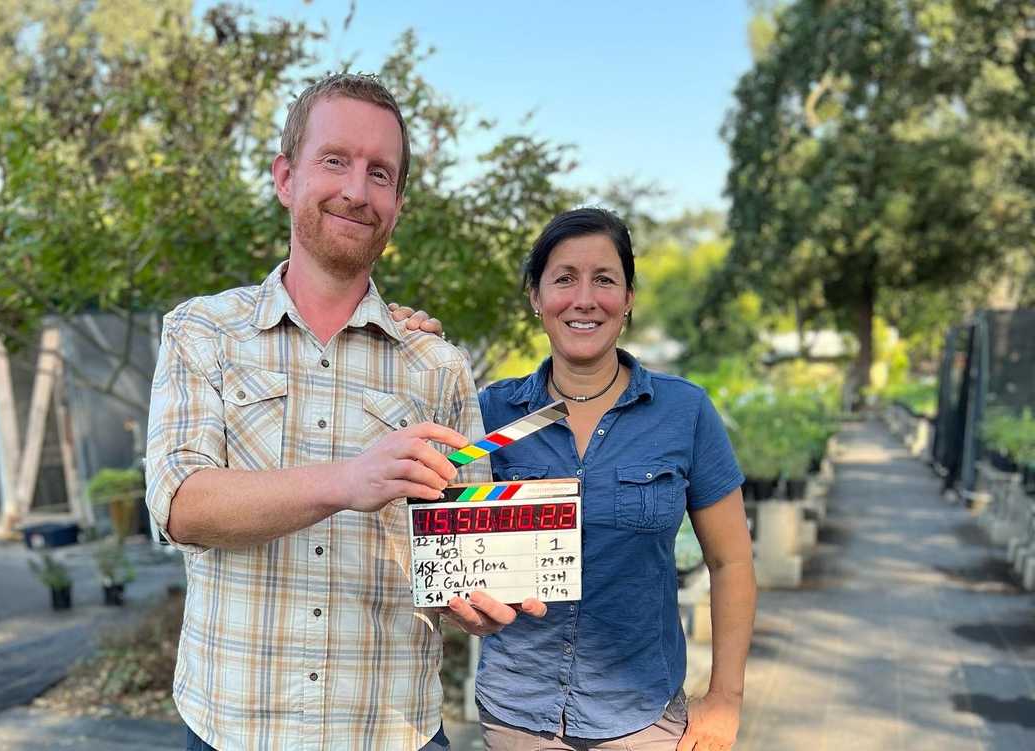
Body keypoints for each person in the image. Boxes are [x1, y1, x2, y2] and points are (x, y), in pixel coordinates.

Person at [145, 73, 544, 751]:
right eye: (335, 161)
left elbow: (455, 546)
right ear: (284, 177)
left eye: (380, 173)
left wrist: (474, 592)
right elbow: (180, 504)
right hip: (235, 729)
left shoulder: (436, 365)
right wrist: (349, 480)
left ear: (397, 204)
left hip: (392, 731)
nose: (357, 190)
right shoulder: (203, 332)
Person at [393, 207, 756, 751]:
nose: (584, 299)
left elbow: (732, 562)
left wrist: (725, 699)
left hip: (643, 722)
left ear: (628, 299)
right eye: (564, 279)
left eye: (604, 280)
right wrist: (407, 345)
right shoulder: (487, 411)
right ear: (536, 297)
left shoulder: (685, 412)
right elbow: (420, 513)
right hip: (516, 717)